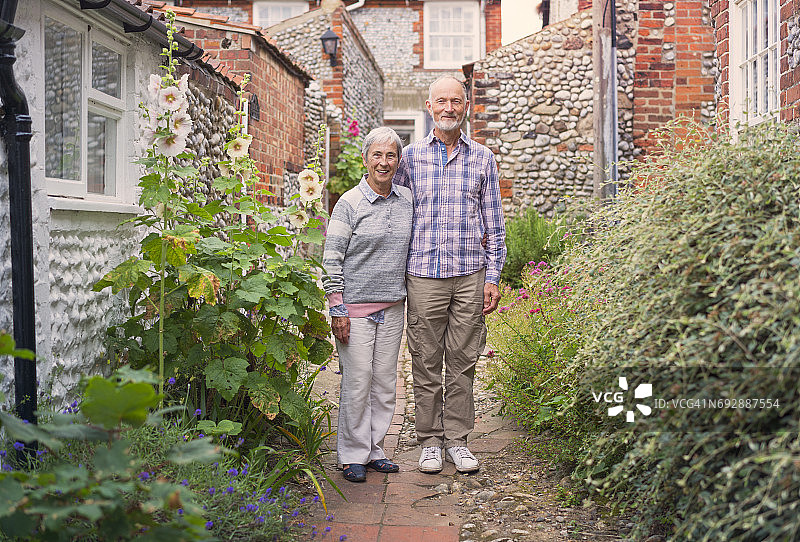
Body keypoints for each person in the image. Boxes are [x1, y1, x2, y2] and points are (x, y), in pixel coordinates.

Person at [394, 75, 506, 474]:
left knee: (463, 360)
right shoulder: (408, 158)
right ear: (429, 107)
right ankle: (429, 440)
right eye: (441, 101)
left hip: (469, 274)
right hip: (423, 274)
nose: (448, 108)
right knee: (425, 359)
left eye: (455, 101)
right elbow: (394, 214)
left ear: (466, 107)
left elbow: (494, 224)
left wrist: (492, 276)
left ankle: (457, 440)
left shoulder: (483, 158)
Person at [322, 126, 413, 483]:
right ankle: (352, 455)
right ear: (365, 159)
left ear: (398, 161)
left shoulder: (406, 199)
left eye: (391, 155)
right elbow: (331, 258)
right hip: (355, 308)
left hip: (392, 306)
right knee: (357, 381)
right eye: (377, 154)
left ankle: (375, 450)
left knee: (384, 383)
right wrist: (337, 307)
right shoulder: (349, 202)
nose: (384, 162)